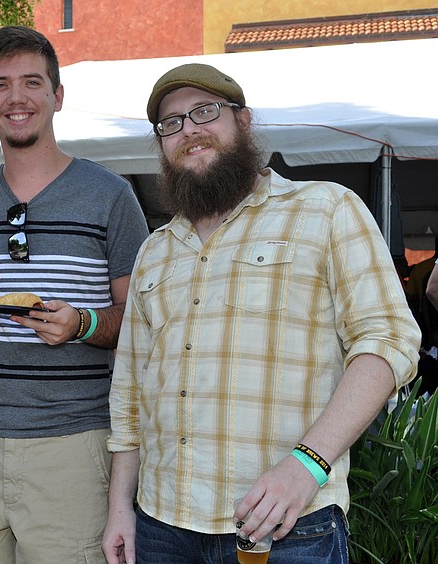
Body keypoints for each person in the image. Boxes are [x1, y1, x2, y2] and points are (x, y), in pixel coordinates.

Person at [102, 63, 421, 564]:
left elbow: (389, 341)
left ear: (244, 122)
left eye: (205, 111)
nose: (189, 130)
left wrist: (306, 465)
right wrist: (121, 505)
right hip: (162, 525)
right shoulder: (154, 251)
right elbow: (129, 393)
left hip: (288, 526)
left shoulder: (326, 209)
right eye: (172, 123)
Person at [0, 26, 149, 563]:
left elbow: (145, 321)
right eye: (0, 84)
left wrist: (81, 324)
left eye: (32, 82)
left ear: (57, 96)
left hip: (73, 444)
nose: (17, 98)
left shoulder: (111, 196)